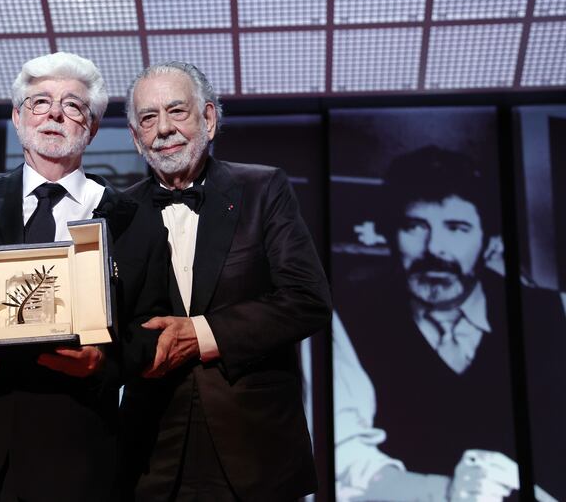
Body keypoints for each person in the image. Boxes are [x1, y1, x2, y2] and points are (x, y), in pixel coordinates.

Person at [0, 52, 170, 501]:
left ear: (93, 126)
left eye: (74, 105)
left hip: (75, 459)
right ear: (19, 117)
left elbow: (150, 328)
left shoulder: (136, 221)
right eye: (39, 102)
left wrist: (105, 364)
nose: (55, 113)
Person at [117, 61, 332, 501]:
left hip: (255, 453)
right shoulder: (116, 212)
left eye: (177, 111)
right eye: (148, 118)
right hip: (150, 457)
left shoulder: (264, 188)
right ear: (136, 138)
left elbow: (307, 299)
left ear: (208, 119)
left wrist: (200, 333)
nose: (163, 129)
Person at [333, 146, 566, 501]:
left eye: (457, 228)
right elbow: (342, 456)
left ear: (491, 244)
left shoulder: (555, 313)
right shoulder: (344, 319)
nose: (435, 248)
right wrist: (446, 492)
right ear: (390, 236)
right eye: (414, 226)